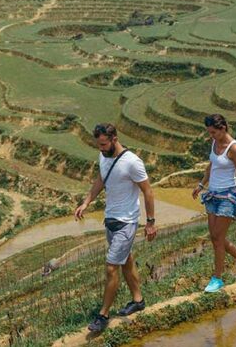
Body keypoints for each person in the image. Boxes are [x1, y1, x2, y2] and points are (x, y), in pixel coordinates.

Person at [74, 123, 157, 334]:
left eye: (103, 144)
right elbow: (101, 179)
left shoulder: (132, 162)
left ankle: (103, 315)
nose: (100, 148)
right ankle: (138, 301)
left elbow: (148, 192)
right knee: (126, 260)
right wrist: (86, 202)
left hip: (127, 222)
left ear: (114, 138)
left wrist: (150, 222)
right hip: (110, 219)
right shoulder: (104, 157)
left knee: (112, 267)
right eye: (98, 145)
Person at [192, 114, 236, 293]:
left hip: (228, 196)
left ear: (223, 129)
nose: (211, 136)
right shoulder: (214, 143)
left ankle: (217, 279)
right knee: (214, 238)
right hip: (213, 195)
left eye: (213, 132)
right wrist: (200, 184)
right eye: (209, 133)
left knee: (218, 239)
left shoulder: (234, 148)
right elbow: (212, 165)